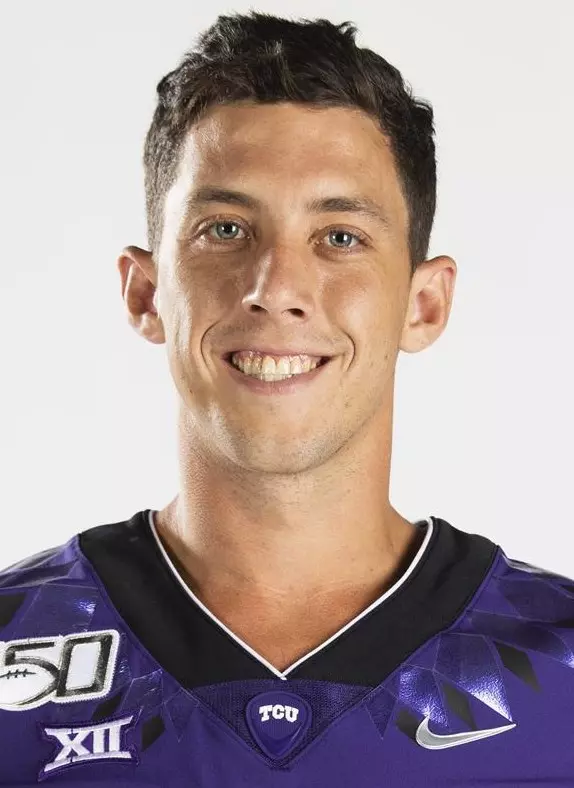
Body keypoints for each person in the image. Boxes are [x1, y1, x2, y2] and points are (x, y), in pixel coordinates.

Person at [1, 10, 572, 786]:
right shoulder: (14, 648)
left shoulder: (561, 665)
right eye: (226, 229)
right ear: (145, 292)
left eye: (340, 237)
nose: (276, 289)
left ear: (424, 303)